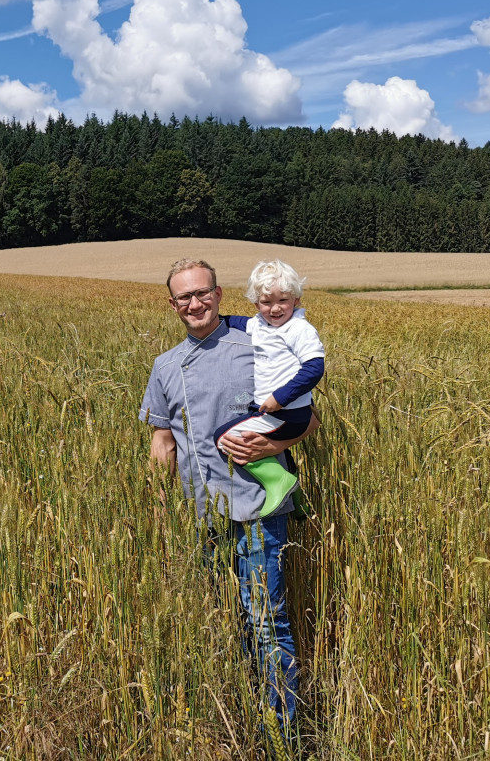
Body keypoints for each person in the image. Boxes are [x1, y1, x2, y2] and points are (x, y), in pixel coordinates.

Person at [139, 258, 316, 752]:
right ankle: (240, 717)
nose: (194, 304)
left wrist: (272, 446)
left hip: (257, 510)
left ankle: (280, 738)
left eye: (203, 293)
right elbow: (162, 441)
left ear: (219, 295)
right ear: (171, 305)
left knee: (266, 622)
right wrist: (161, 509)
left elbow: (309, 418)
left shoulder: (256, 343)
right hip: (201, 518)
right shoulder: (165, 366)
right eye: (183, 298)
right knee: (225, 621)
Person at [213, 260, 324, 516]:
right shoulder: (260, 326)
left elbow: (314, 368)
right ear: (256, 304)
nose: (275, 309)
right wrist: (215, 319)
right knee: (255, 441)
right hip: (274, 413)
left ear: (296, 299)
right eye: (266, 302)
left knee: (224, 438)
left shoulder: (299, 329)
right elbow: (237, 322)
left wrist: (280, 398)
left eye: (283, 300)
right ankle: (296, 498)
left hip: (287, 413)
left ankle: (278, 481)